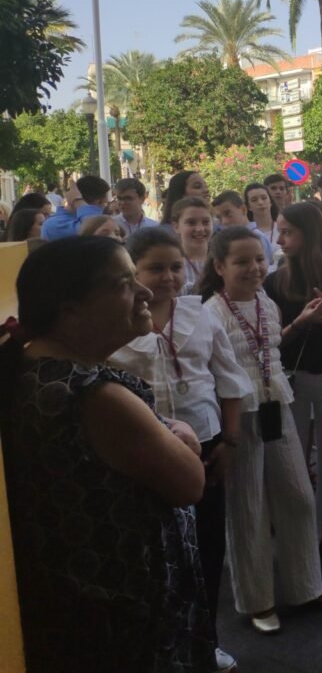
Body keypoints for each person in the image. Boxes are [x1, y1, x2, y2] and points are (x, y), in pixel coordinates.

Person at [0, 237, 216, 671]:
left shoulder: (31, 367)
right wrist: (184, 436)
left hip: (76, 605)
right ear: (70, 311)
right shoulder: (96, 396)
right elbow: (190, 483)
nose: (145, 292)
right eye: (123, 284)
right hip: (128, 616)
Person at [109, 227, 250, 673]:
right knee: (158, 550)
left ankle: (207, 642)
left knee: (207, 546)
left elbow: (229, 378)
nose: (168, 277)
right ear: (132, 272)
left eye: (175, 267)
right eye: (155, 268)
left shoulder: (199, 314)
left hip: (205, 441)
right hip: (145, 445)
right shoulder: (116, 320)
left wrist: (229, 440)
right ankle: (164, 644)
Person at [200, 227, 322, 633]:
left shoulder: (266, 301)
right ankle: (257, 600)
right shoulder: (210, 313)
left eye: (258, 259)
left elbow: (268, 346)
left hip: (275, 403)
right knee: (248, 507)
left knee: (299, 496)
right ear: (219, 266)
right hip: (239, 414)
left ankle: (307, 586)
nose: (254, 268)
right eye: (241, 261)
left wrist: (300, 322)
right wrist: (226, 433)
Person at [263, 202, 322, 573]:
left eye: (287, 232)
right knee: (291, 460)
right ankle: (297, 534)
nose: (280, 240)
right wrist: (301, 322)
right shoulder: (274, 283)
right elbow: (268, 343)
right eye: (279, 231)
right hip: (291, 379)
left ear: (309, 233)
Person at [212, 189, 277, 268]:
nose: (224, 221)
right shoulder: (226, 241)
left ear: (243, 210)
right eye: (219, 218)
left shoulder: (256, 237)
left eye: (228, 213)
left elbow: (265, 269)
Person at [41, 175, 110, 240]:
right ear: (98, 202)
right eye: (105, 203)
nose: (105, 206)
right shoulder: (54, 224)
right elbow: (96, 230)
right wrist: (77, 200)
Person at [172, 196, 215, 295]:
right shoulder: (171, 265)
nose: (200, 229)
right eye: (191, 223)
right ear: (176, 227)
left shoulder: (221, 260)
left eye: (206, 222)